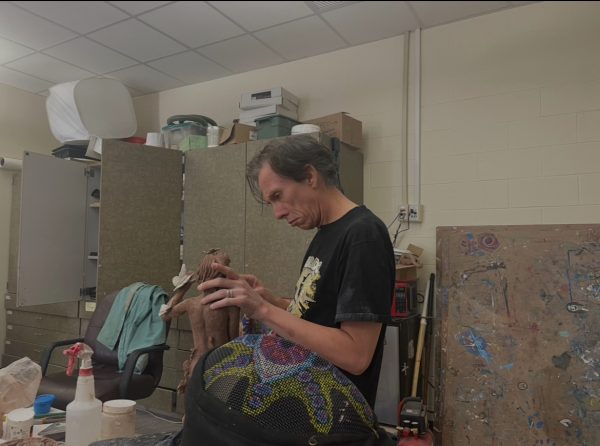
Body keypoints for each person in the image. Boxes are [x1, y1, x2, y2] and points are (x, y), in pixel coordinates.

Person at [198, 134, 395, 406]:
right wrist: (270, 300)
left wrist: (263, 311)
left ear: (309, 176)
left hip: (332, 415)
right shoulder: (325, 233)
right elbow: (322, 314)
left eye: (278, 196)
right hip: (302, 398)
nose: (277, 213)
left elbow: (356, 355)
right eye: (271, 203)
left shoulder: (363, 235)